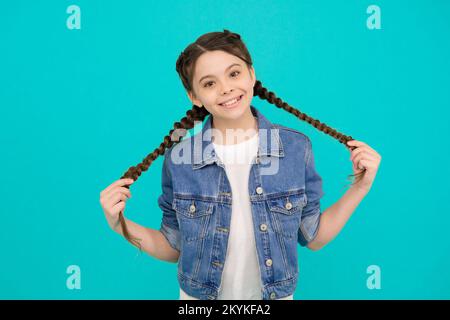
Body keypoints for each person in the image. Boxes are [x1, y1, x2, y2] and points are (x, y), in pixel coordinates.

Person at [99, 29, 381, 300]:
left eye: (234, 73)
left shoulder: (296, 148)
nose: (226, 89)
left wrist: (360, 187)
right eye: (209, 83)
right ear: (194, 96)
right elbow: (173, 247)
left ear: (252, 75)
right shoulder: (179, 159)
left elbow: (314, 236)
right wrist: (120, 224)